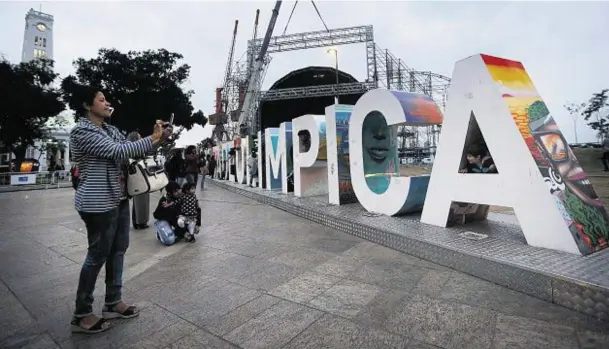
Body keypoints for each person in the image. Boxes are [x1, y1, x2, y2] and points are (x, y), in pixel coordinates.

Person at [68, 86, 171, 333]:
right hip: (97, 202)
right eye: (101, 100)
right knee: (97, 256)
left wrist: (159, 138)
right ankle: (82, 314)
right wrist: (153, 138)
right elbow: (118, 152)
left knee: (118, 250)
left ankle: (113, 302)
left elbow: (131, 151)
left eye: (106, 99)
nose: (107, 103)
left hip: (118, 197)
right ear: (86, 105)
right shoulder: (82, 131)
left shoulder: (111, 130)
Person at [127, 131, 151, 230]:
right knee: (141, 200)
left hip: (138, 176)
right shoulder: (135, 150)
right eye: (139, 137)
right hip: (138, 177)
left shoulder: (133, 150)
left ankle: (137, 221)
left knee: (138, 201)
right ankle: (141, 222)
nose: (142, 139)